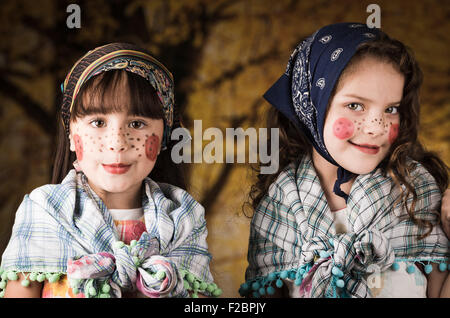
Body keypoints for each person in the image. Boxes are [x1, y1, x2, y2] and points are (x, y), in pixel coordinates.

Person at [240, 23, 449, 298]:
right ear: (312, 105)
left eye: (391, 109)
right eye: (355, 106)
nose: (377, 128)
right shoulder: (278, 209)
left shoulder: (416, 191)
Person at [0, 43, 221, 298]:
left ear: (163, 137)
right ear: (72, 134)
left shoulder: (183, 217)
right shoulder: (45, 210)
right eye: (98, 122)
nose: (117, 142)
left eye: (137, 123)